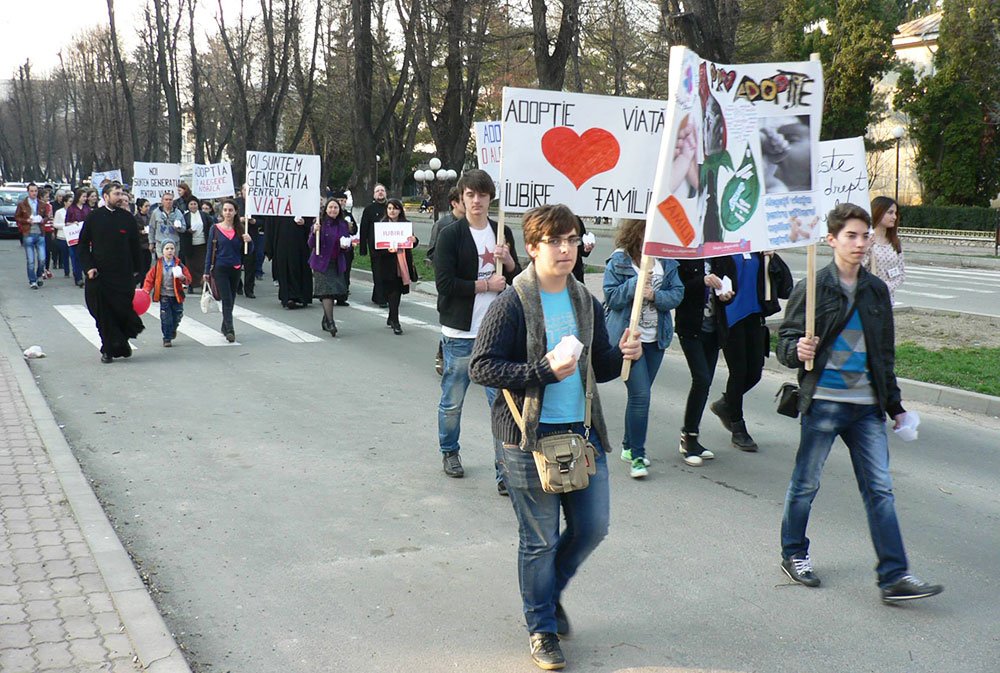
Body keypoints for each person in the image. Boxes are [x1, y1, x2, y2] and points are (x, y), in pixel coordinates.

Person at [469, 203, 641, 672]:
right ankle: (541, 627)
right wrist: (541, 371)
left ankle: (548, 592)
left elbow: (600, 366)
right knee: (540, 541)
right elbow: (481, 365)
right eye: (555, 241)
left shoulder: (585, 299)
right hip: (528, 439)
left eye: (572, 240)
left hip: (581, 435)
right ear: (532, 247)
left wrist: (625, 353)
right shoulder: (514, 301)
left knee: (592, 528)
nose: (565, 250)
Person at [776, 202, 943, 604]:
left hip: (866, 407)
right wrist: (797, 349)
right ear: (831, 239)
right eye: (850, 235)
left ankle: (894, 576)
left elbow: (884, 354)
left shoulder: (875, 290)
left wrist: (895, 407)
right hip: (824, 403)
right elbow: (782, 343)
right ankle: (793, 554)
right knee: (806, 484)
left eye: (864, 235)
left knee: (880, 490)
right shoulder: (813, 287)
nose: (859, 242)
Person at [433, 170, 520, 486]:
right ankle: (449, 450)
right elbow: (444, 283)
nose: (476, 200)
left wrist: (508, 260)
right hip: (460, 335)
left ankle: (504, 470)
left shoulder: (501, 232)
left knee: (501, 405)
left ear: (490, 198)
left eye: (482, 195)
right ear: (462, 198)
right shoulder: (451, 235)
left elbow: (516, 278)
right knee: (453, 401)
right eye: (470, 194)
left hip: (495, 335)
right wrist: (486, 285)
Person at [602, 218, 684, 477]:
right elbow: (612, 298)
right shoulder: (620, 260)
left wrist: (653, 295)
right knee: (641, 396)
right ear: (637, 233)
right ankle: (638, 455)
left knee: (640, 395)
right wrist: (635, 286)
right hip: (628, 340)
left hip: (655, 339)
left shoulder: (666, 261)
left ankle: (628, 444)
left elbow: (677, 294)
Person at [709, 250, 792, 451]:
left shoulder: (759, 250)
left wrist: (773, 258)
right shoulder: (722, 250)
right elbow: (710, 282)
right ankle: (738, 428)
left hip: (755, 316)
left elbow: (786, 287)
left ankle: (726, 404)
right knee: (738, 373)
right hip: (731, 318)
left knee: (755, 372)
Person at [674, 257, 734, 464]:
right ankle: (688, 438)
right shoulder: (686, 256)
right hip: (690, 329)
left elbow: (730, 288)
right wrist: (703, 281)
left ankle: (693, 438)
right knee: (701, 380)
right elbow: (678, 289)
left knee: (705, 383)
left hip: (714, 330)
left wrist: (727, 295)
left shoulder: (722, 258)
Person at [78, 183, 145, 363]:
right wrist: (89, 267)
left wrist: (138, 271)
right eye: (116, 194)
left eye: (122, 194)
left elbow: (135, 247)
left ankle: (121, 342)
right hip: (100, 275)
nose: (120, 197)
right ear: (105, 196)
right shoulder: (94, 217)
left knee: (121, 312)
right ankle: (107, 349)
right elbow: (83, 245)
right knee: (103, 313)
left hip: (123, 276)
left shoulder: (127, 218)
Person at [428, 186, 467, 376]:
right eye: (464, 199)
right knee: (450, 321)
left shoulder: (475, 225)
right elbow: (431, 253)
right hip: (449, 283)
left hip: (468, 283)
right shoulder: (443, 225)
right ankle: (442, 353)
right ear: (454, 203)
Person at [203, 200, 253, 342]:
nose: (228, 213)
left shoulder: (241, 229)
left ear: (236, 212)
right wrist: (206, 271)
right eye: (225, 210)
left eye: (230, 210)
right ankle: (230, 329)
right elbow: (209, 251)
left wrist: (249, 241)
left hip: (235, 268)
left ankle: (225, 325)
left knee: (231, 298)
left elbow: (249, 252)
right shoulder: (215, 228)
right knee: (226, 298)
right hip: (220, 268)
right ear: (222, 212)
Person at [370, 198, 418, 334]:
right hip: (386, 263)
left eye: (395, 208)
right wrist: (387, 250)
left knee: (397, 290)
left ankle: (393, 318)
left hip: (402, 262)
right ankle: (394, 319)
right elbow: (375, 245)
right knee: (392, 291)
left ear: (400, 210)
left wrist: (414, 240)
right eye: (390, 208)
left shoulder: (406, 225)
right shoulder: (381, 225)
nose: (392, 211)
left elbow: (411, 243)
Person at [308, 198, 352, 336]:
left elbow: (347, 242)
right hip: (322, 262)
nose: (333, 210)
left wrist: (346, 246)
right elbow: (311, 244)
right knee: (326, 292)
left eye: (336, 207)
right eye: (331, 207)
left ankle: (325, 319)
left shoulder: (343, 224)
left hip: (336, 262)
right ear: (326, 209)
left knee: (334, 292)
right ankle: (331, 322)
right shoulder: (319, 223)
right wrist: (315, 232)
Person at [141, 241, 192, 347]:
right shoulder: (158, 265)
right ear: (162, 251)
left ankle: (173, 329)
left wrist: (183, 278)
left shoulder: (179, 264)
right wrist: (146, 290)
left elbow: (188, 279)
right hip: (164, 295)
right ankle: (167, 338)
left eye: (172, 248)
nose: (170, 251)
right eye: (167, 249)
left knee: (177, 315)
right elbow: (149, 279)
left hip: (176, 295)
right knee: (166, 317)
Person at [263, 211, 313, 308]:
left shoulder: (303, 204)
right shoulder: (279, 204)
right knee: (284, 268)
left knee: (300, 267)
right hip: (282, 241)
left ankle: (302, 297)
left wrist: (305, 223)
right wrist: (268, 246)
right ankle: (288, 297)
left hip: (301, 242)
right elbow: (270, 223)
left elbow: (311, 221)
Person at [862, 196, 905, 305]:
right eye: (890, 212)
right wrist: (867, 249)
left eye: (895, 213)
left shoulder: (895, 243)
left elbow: (901, 272)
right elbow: (858, 269)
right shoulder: (865, 240)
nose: (894, 217)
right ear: (878, 212)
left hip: (887, 299)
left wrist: (886, 287)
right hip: (869, 298)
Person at [14, 183, 52, 289]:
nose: (34, 193)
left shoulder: (41, 204)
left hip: (40, 233)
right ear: (28, 191)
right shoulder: (22, 204)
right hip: (28, 233)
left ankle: (39, 275)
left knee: (42, 259)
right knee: (30, 260)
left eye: (35, 191)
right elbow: (17, 217)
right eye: (31, 191)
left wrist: (43, 219)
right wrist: (26, 220)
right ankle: (32, 281)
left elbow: (46, 217)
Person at [358, 183, 389, 307]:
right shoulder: (369, 209)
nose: (380, 192)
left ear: (386, 193)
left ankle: (377, 295)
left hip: (391, 246)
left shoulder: (391, 207)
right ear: (374, 194)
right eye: (377, 191)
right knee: (378, 272)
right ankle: (381, 298)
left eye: (382, 190)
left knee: (387, 272)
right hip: (375, 247)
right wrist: (363, 248)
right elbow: (364, 229)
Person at [426, 186, 465, 264]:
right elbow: (432, 253)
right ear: (454, 203)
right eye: (464, 201)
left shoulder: (474, 223)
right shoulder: (441, 224)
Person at [332, 191, 357, 306]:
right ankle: (330, 294)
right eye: (339, 200)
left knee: (345, 272)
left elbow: (354, 230)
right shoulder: (329, 215)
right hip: (332, 249)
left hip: (346, 249)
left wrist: (351, 228)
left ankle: (342, 296)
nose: (341, 203)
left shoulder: (348, 214)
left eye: (343, 200)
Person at [183, 195, 211, 292]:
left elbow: (211, 225)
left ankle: (204, 284)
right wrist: (188, 230)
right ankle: (191, 285)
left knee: (203, 265)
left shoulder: (204, 215)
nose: (193, 206)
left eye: (195, 204)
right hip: (190, 245)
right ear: (188, 205)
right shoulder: (185, 217)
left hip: (203, 244)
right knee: (190, 266)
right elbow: (182, 229)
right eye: (191, 204)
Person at [65, 188, 90, 287]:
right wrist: (72, 223)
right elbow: (66, 222)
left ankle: (86, 275)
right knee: (75, 257)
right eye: (83, 196)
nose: (85, 198)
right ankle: (78, 277)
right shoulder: (72, 208)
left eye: (85, 196)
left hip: (85, 236)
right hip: (74, 236)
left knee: (85, 256)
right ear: (78, 197)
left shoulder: (87, 208)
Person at [148, 192, 184, 257]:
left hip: (174, 244)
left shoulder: (178, 213)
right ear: (162, 201)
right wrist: (151, 242)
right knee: (162, 265)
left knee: (173, 264)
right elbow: (152, 228)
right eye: (166, 199)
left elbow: (184, 228)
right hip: (160, 244)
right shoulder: (156, 212)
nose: (168, 201)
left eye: (170, 200)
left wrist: (178, 228)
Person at [50, 193, 74, 280]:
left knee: (73, 255)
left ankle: (75, 271)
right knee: (65, 255)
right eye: (70, 201)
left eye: (72, 201)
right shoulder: (59, 212)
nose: (71, 203)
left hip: (72, 236)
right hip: (62, 237)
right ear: (65, 202)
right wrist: (65, 225)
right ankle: (66, 272)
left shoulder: (74, 211)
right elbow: (55, 224)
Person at [134, 198, 152, 275]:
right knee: (142, 267)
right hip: (140, 244)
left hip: (148, 243)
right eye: (146, 206)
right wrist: (140, 232)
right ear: (140, 207)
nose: (148, 208)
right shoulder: (135, 218)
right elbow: (133, 230)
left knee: (148, 265)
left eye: (149, 206)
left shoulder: (150, 216)